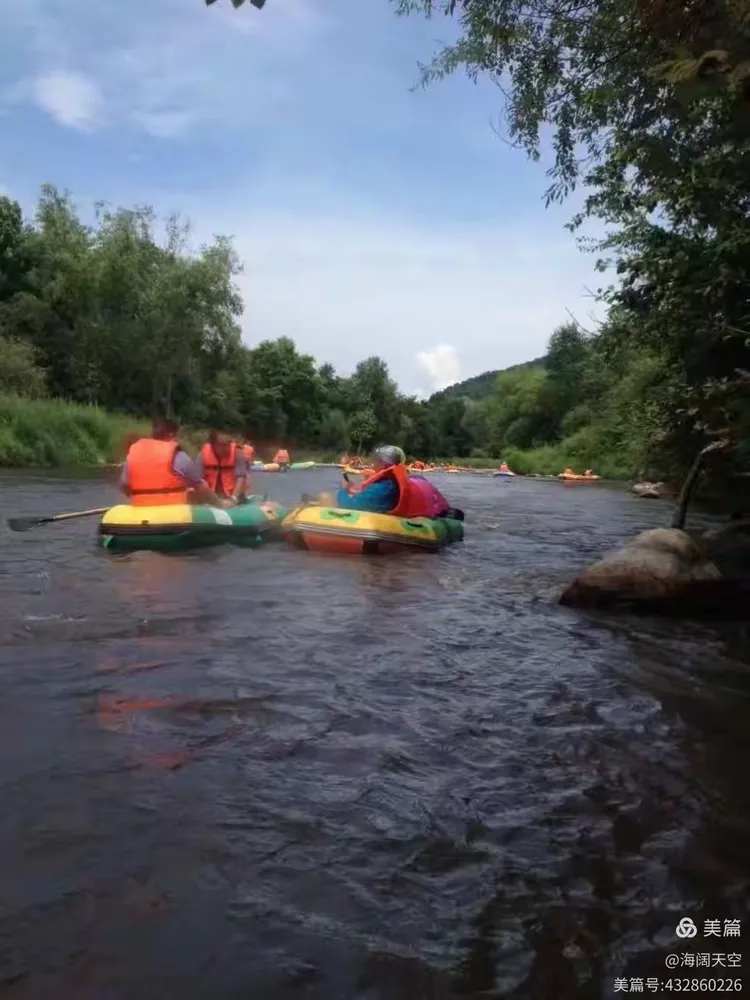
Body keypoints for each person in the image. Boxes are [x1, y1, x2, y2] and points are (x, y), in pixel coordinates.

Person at [121, 419, 230, 507]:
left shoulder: (134, 455)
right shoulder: (179, 456)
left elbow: (124, 485)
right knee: (194, 493)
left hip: (141, 511)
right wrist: (221, 505)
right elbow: (202, 488)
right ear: (172, 435)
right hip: (172, 513)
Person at [335, 445, 462, 518]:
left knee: (325, 497)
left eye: (376, 461)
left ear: (383, 464)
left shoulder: (382, 488)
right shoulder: (392, 482)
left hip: (384, 521)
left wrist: (343, 490)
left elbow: (349, 506)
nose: (373, 465)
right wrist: (352, 490)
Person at [196, 430, 249, 503]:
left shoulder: (237, 452)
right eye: (223, 445)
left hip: (234, 496)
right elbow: (198, 479)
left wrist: (234, 498)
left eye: (228, 443)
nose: (227, 448)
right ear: (213, 445)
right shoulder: (203, 453)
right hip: (211, 496)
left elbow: (240, 478)